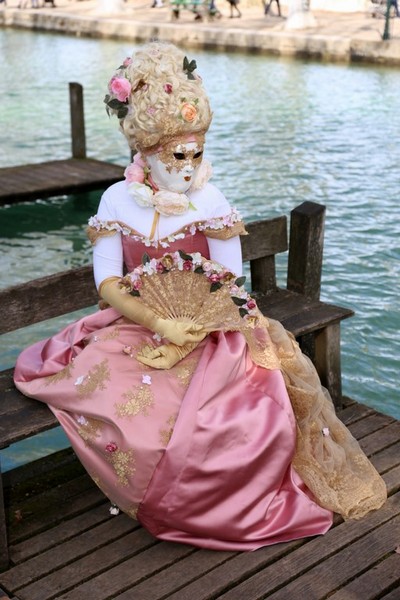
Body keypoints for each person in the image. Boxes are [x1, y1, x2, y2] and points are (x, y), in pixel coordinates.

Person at [14, 41, 386, 551]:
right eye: (176, 155)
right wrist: (160, 324)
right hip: (138, 323)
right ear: (146, 154)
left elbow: (229, 288)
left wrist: (186, 336)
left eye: (197, 152)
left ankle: (212, 507)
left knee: (239, 420)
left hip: (221, 331)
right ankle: (159, 500)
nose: (189, 166)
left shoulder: (210, 199)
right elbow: (105, 284)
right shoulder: (115, 199)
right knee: (127, 410)